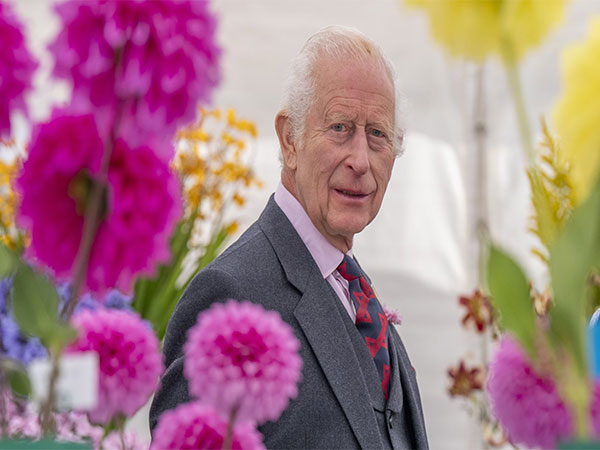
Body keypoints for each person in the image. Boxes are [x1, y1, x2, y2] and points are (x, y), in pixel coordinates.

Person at [150, 25, 429, 449]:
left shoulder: (356, 294)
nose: (360, 160)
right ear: (289, 139)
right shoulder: (230, 296)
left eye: (378, 135)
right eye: (340, 127)